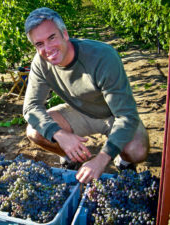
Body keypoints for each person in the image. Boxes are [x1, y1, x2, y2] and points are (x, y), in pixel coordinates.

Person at [23, 7, 149, 184]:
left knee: (137, 150)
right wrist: (59, 134)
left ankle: (124, 162)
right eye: (39, 44)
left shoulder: (103, 56)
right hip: (78, 112)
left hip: (113, 114)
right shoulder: (40, 63)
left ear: (65, 34)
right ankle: (71, 156)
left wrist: (102, 158)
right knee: (35, 130)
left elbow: (126, 115)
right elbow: (31, 107)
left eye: (52, 37)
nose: (48, 48)